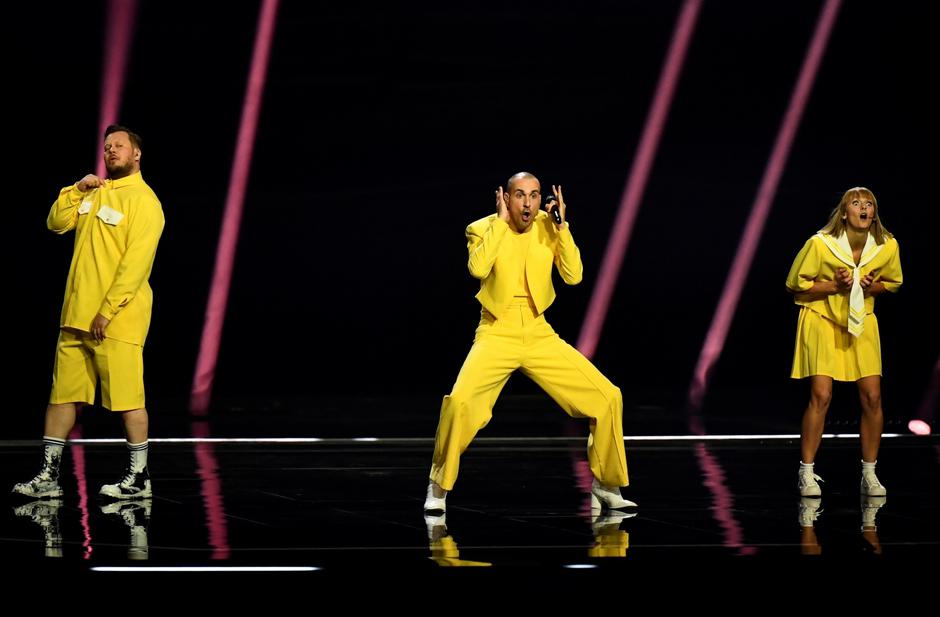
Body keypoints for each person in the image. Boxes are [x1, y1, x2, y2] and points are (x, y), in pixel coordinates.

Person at [423, 171, 636, 513]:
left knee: (608, 396)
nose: (528, 203)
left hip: (538, 333)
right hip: (496, 331)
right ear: (506, 198)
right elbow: (478, 269)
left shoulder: (548, 226)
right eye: (520, 195)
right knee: (461, 404)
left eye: (534, 195)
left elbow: (574, 275)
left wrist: (562, 228)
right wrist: (499, 223)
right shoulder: (481, 228)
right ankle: (438, 487)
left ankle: (606, 484)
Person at [12, 124, 165, 501]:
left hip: (116, 320)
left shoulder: (144, 201)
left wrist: (108, 310)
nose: (111, 151)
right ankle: (48, 477)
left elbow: (136, 265)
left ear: (136, 154)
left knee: (128, 400)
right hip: (75, 317)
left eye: (119, 146)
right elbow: (56, 223)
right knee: (62, 397)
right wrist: (77, 190)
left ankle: (139, 479)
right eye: (107, 146)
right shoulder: (95, 194)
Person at [786, 187, 902, 498]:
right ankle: (807, 473)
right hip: (821, 318)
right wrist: (834, 285)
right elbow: (796, 286)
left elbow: (891, 284)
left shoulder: (885, 246)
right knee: (821, 395)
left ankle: (869, 472)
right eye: (856, 203)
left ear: (873, 214)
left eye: (869, 204)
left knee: (873, 397)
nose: (863, 208)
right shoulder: (820, 244)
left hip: (861, 320)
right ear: (844, 212)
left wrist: (867, 287)